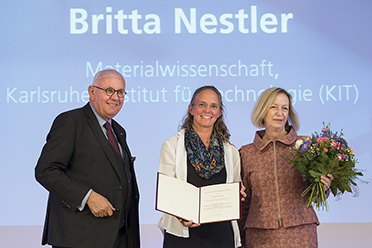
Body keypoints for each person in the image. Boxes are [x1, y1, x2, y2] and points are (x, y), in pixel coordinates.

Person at [35, 69, 140, 248]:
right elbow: (46, 171)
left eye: (121, 92)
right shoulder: (71, 122)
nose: (116, 97)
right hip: (80, 238)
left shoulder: (118, 130)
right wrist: (87, 196)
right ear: (92, 91)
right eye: (109, 90)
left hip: (118, 237)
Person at [238, 87, 333, 248]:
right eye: (273, 107)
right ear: (262, 110)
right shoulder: (246, 153)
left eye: (285, 108)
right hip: (260, 237)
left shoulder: (306, 146)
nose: (280, 113)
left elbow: (315, 196)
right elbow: (244, 202)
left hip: (301, 234)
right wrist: (239, 240)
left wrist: (323, 188)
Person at [157, 85, 242, 248]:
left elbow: (235, 186)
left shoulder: (230, 151)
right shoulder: (172, 146)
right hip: (184, 234)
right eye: (202, 104)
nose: (207, 110)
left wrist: (239, 192)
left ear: (220, 112)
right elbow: (167, 192)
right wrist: (180, 215)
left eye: (213, 106)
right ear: (191, 109)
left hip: (222, 235)